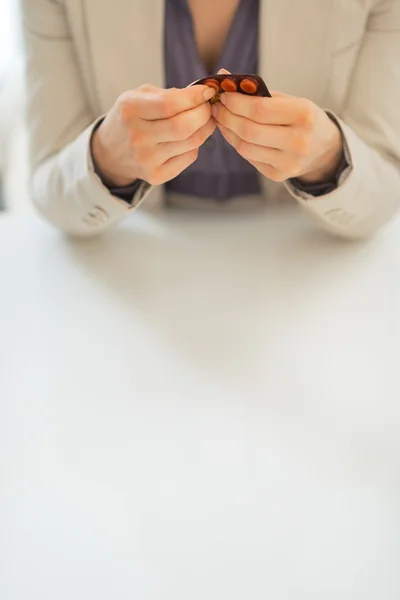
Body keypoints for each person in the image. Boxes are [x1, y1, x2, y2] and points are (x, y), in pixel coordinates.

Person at [22, 0, 400, 239]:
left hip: (300, 268)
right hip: (139, 269)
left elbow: (386, 188)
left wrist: (329, 158)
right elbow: (46, 187)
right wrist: (104, 159)